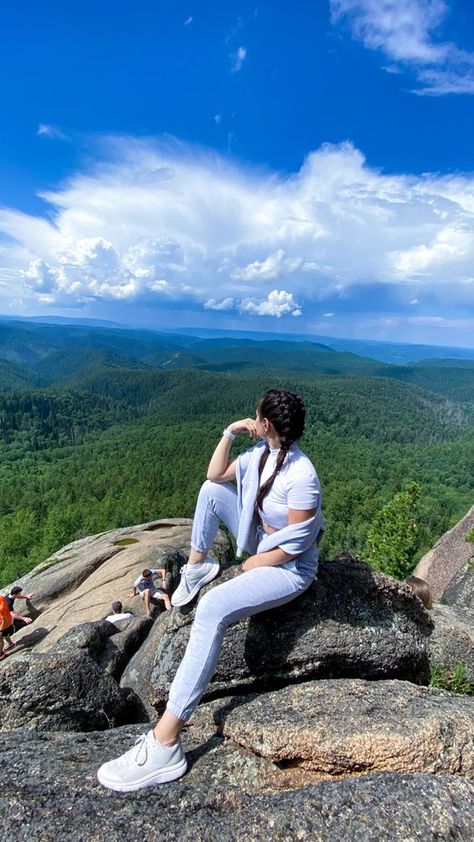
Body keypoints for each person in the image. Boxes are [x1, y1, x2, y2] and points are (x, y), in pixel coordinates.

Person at [97, 388, 324, 792]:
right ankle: (197, 566)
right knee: (208, 493)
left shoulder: (301, 474)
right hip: (261, 541)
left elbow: (300, 543)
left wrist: (252, 564)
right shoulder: (260, 456)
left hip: (289, 566)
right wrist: (229, 432)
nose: (251, 419)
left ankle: (166, 742)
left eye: (254, 416)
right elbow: (214, 476)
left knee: (213, 608)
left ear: (266, 424)